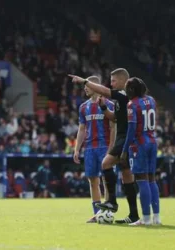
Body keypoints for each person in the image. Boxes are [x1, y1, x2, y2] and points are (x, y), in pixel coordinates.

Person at [69, 68, 140, 224]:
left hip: (115, 143)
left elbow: (113, 123)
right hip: (93, 147)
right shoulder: (86, 107)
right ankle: (126, 214)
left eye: (114, 80)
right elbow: (113, 118)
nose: (111, 83)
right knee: (117, 177)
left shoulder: (119, 96)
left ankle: (111, 205)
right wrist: (77, 148)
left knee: (111, 169)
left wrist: (84, 80)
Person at [74, 76, 116, 223]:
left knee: (106, 180)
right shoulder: (83, 107)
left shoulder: (108, 104)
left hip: (105, 146)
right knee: (92, 180)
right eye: (84, 86)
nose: (85, 88)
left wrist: (111, 149)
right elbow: (82, 128)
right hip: (90, 148)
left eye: (87, 85)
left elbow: (112, 128)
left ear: (95, 86)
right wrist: (77, 149)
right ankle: (97, 214)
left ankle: (107, 213)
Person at [120, 77, 161, 226]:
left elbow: (131, 130)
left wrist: (124, 151)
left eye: (127, 89)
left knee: (141, 180)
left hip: (139, 145)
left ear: (131, 89)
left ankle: (145, 218)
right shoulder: (151, 100)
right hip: (152, 141)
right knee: (152, 179)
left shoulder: (132, 105)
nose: (126, 92)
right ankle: (156, 218)